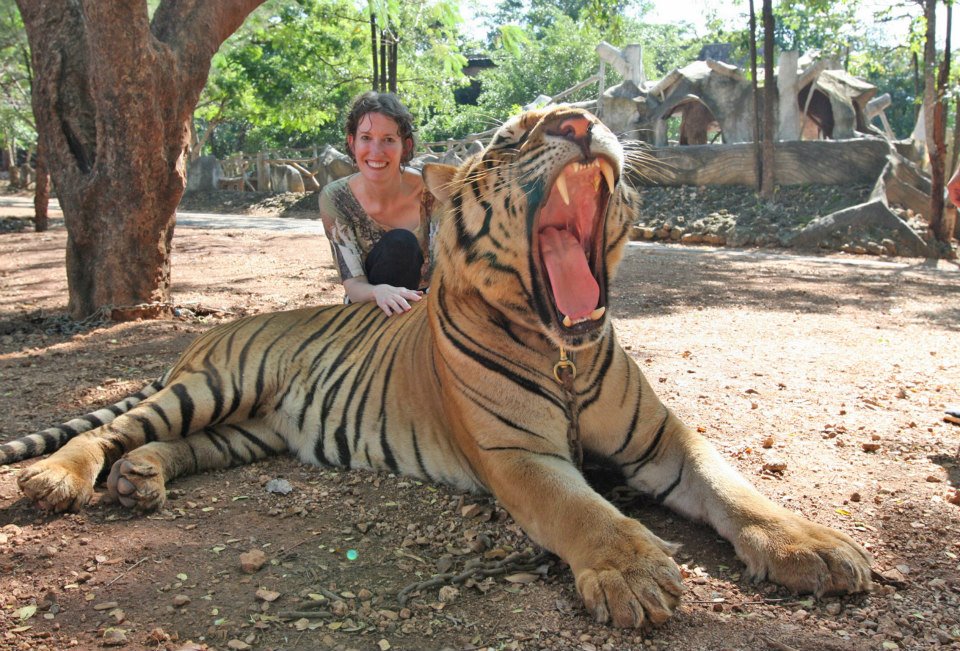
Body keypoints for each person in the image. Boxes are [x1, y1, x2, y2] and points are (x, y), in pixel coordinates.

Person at [319, 91, 438, 317]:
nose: (376, 151)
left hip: (429, 307)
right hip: (370, 309)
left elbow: (448, 268)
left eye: (389, 139)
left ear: (406, 145)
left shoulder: (432, 191)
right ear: (352, 143)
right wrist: (379, 292)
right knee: (400, 244)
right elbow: (353, 285)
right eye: (366, 138)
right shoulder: (335, 198)